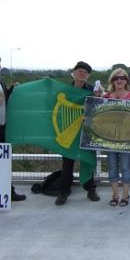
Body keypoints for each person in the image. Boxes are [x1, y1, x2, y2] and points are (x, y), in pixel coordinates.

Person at [55, 61, 100, 205]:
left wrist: (100, 95)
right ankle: (63, 192)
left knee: (87, 160)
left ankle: (90, 189)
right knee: (67, 162)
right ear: (73, 73)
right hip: (69, 131)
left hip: (87, 131)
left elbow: (100, 105)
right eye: (79, 71)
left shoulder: (93, 90)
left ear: (88, 76)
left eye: (85, 72)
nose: (82, 74)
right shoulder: (64, 90)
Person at [103, 68, 130, 207]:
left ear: (126, 81)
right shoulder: (106, 97)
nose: (119, 80)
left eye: (122, 78)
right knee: (112, 166)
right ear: (112, 81)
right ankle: (115, 195)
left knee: (125, 166)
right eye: (116, 78)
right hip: (109, 138)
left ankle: (125, 195)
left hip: (126, 138)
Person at [0, 57, 26, 202]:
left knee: (3, 162)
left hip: (2, 128)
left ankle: (7, 192)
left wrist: (12, 90)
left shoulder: (1, 82)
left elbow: (5, 99)